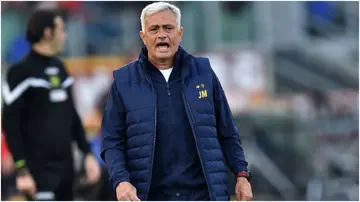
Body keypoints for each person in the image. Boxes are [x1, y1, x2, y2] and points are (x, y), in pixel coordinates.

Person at [101, 2, 253, 201]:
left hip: (204, 195)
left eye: (168, 28)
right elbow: (112, 140)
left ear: (180, 33)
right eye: (154, 29)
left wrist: (241, 175)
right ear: (143, 36)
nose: (162, 35)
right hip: (149, 196)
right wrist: (121, 181)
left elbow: (227, 130)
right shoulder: (123, 81)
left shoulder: (203, 72)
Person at [2, 9, 101, 200]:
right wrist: (21, 170)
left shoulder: (60, 67)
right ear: (48, 33)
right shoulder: (20, 72)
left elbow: (71, 116)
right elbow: (10, 123)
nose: (65, 36)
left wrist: (87, 153)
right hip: (37, 172)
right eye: (61, 30)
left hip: (66, 170)